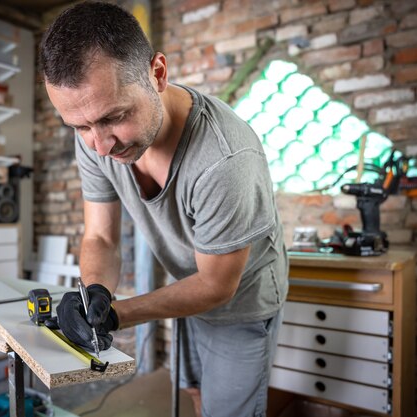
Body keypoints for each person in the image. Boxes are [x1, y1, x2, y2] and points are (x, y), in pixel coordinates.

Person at [40, 2, 288, 416]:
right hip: (185, 285)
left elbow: (215, 286)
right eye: (80, 127)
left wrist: (116, 315)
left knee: (229, 412)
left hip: (241, 301)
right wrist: (95, 293)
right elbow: (100, 236)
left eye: (115, 117)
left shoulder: (225, 159)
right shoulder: (95, 133)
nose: (100, 146)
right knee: (194, 395)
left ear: (157, 73)